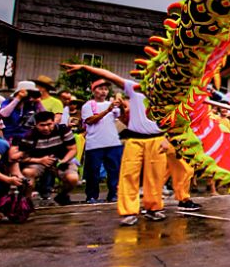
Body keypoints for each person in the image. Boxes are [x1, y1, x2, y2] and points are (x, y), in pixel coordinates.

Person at [64, 63, 200, 220]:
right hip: (135, 139)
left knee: (155, 177)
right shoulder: (133, 88)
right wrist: (85, 67)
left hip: (157, 139)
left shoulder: (168, 95)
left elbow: (175, 119)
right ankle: (128, 211)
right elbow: (109, 75)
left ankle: (153, 208)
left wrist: (167, 138)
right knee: (129, 175)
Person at [14, 111, 79, 204]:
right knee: (27, 173)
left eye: (49, 124)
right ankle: (26, 202)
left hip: (60, 159)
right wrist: (40, 160)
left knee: (73, 178)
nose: (46, 128)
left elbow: (73, 149)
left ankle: (63, 195)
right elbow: (22, 157)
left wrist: (63, 161)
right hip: (37, 161)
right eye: (42, 125)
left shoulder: (63, 130)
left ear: (54, 122)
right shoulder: (29, 135)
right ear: (36, 125)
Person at [79, 78, 124, 204]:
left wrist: (122, 106)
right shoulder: (88, 105)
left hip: (112, 142)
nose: (103, 92)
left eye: (105, 89)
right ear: (93, 91)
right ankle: (92, 196)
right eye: (100, 89)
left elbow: (121, 117)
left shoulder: (112, 104)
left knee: (114, 170)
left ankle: (113, 194)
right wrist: (107, 111)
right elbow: (90, 120)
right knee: (93, 171)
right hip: (95, 144)